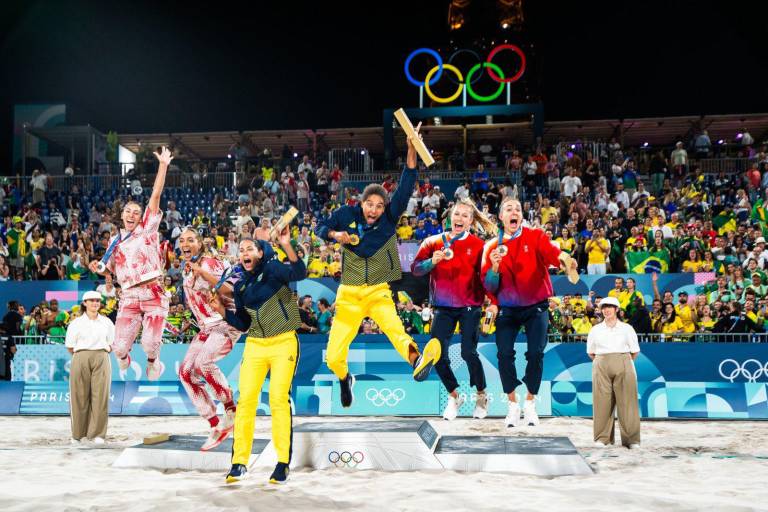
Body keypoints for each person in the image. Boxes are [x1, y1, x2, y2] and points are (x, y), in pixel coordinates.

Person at [316, 126, 441, 408]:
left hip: (378, 291)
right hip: (348, 295)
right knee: (334, 356)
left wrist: (411, 148)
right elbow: (319, 228)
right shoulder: (346, 214)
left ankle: (417, 361)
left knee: (396, 330)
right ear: (361, 204)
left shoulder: (389, 220)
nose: (373, 210)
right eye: (369, 204)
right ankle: (345, 377)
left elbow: (407, 184)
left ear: (386, 208)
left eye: (379, 206)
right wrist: (336, 235)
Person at [213, 229, 306, 485]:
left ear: (260, 252)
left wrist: (286, 245)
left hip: (284, 341)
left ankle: (282, 463)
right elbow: (243, 323)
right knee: (245, 403)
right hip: (254, 345)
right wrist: (223, 311)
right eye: (241, 250)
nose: (244, 252)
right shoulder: (241, 285)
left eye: (249, 248)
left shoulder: (274, 268)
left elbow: (299, 273)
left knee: (278, 399)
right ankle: (239, 463)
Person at [481, 197, 578, 427]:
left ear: (521, 216)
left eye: (517, 208)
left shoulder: (535, 236)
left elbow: (550, 251)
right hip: (507, 308)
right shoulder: (492, 247)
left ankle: (530, 403)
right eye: (508, 209)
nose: (514, 211)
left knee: (536, 354)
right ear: (501, 217)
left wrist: (564, 259)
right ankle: (513, 405)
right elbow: (489, 286)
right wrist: (494, 268)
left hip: (536, 306)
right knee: (504, 354)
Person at [88, 146, 172, 380]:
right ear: (122, 215)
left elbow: (155, 196)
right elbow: (113, 269)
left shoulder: (147, 228)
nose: (133, 214)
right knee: (119, 347)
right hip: (128, 295)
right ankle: (126, 360)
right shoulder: (115, 240)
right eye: (128, 211)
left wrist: (163, 166)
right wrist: (99, 268)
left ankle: (154, 362)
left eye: (136, 211)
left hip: (152, 292)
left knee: (149, 343)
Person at [412, 198, 497, 421]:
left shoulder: (480, 246)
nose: (459, 218)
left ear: (471, 221)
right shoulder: (432, 242)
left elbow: (487, 277)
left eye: (465, 216)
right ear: (451, 217)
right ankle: (454, 396)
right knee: (436, 355)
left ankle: (481, 395)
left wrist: (493, 302)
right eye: (456, 214)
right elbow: (416, 269)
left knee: (468, 352)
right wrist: (432, 262)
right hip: (442, 307)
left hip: (470, 306)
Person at [177, 228, 243, 451]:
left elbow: (229, 288)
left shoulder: (209, 263)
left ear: (200, 244)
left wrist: (203, 274)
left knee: (203, 362)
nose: (185, 243)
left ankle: (231, 409)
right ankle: (215, 424)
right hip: (206, 326)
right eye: (182, 240)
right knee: (185, 372)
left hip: (225, 322)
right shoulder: (187, 269)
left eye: (190, 240)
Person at [586, 296, 641, 449]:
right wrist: (604, 362)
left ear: (617, 309)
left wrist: (621, 361)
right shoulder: (595, 330)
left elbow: (635, 352)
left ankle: (631, 440)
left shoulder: (627, 328)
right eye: (603, 307)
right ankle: (602, 438)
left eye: (610, 307)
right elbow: (591, 352)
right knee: (601, 402)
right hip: (601, 364)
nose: (606, 310)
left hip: (624, 362)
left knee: (628, 403)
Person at [65, 291, 115, 445]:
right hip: (80, 356)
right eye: (91, 301)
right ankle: (78, 435)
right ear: (84, 303)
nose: (95, 303)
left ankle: (98, 434)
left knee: (100, 397)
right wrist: (83, 354)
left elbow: (112, 343)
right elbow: (70, 346)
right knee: (79, 397)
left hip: (101, 356)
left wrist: (101, 351)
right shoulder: (76, 323)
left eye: (98, 301)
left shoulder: (107, 322)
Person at [1, 301, 22, 380]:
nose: (18, 306)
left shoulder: (5, 316)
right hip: (15, 339)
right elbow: (18, 327)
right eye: (17, 305)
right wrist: (19, 335)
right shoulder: (18, 316)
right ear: (14, 306)